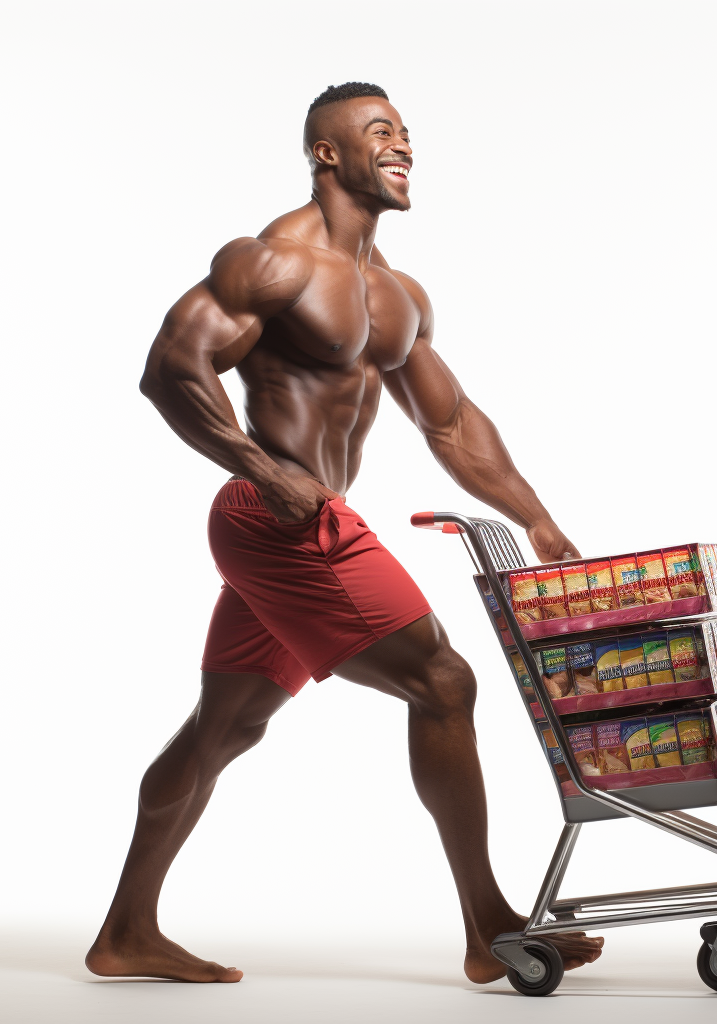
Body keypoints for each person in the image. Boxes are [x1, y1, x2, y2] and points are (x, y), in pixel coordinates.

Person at [86, 82, 603, 985]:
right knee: (443, 681)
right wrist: (261, 468)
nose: (402, 146)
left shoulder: (396, 296)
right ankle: (491, 929)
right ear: (327, 154)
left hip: (300, 523)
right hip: (282, 522)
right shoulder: (273, 262)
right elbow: (171, 368)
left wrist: (536, 517)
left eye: (405, 133)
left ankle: (125, 933)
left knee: (222, 729)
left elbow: (450, 423)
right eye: (379, 133)